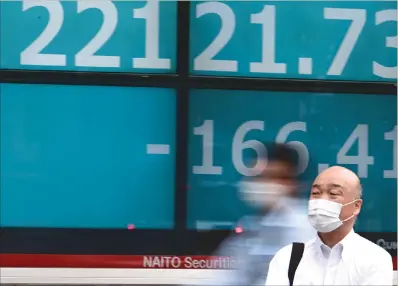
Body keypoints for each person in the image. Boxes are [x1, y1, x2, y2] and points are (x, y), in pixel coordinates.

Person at [204, 142, 315, 286]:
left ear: (290, 183)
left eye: (270, 177)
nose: (261, 183)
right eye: (257, 177)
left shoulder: (305, 227)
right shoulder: (252, 225)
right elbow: (228, 276)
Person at [265, 166, 393, 285]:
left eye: (333, 194)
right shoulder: (287, 257)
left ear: (356, 206)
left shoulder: (374, 258)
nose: (322, 200)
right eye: (315, 193)